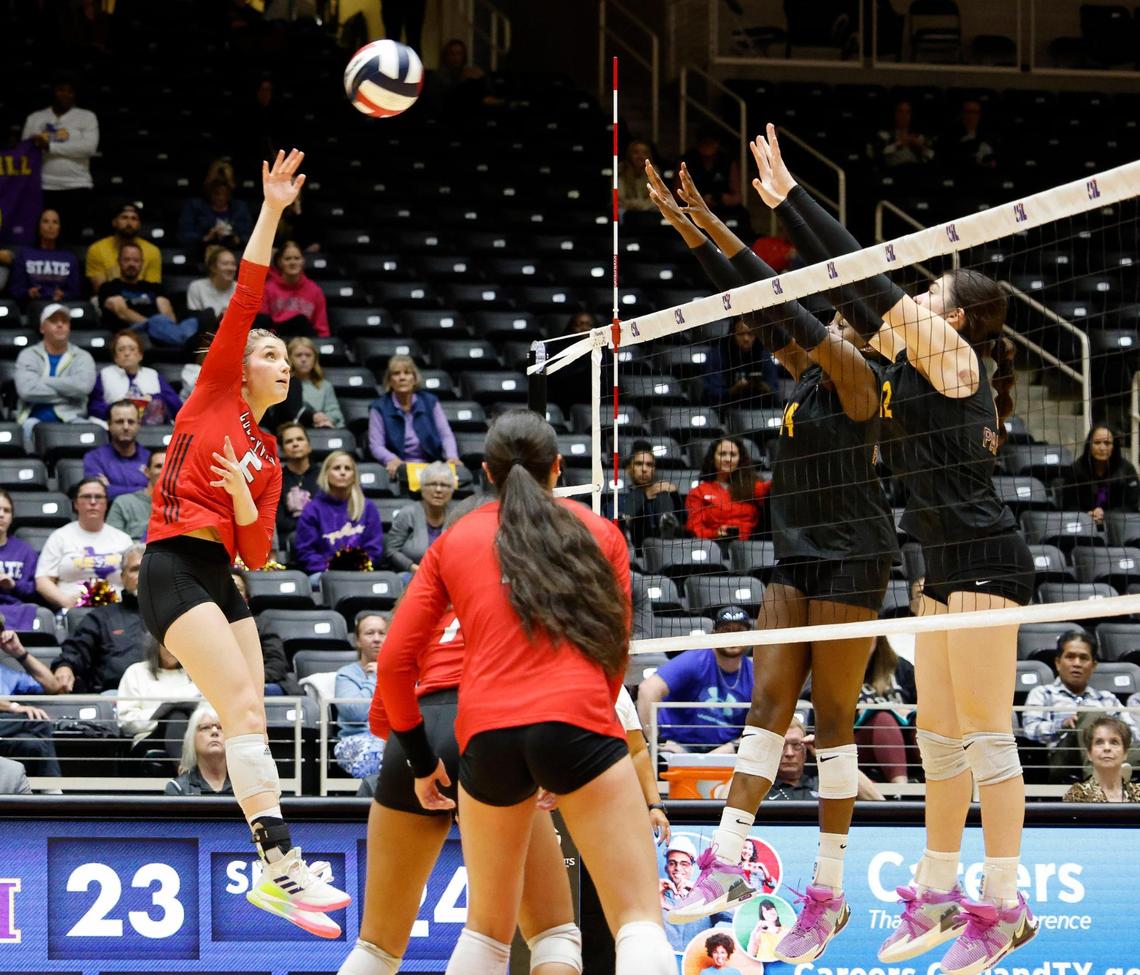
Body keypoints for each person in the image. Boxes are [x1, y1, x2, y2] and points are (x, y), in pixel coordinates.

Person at [749, 124, 1038, 969]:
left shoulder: (956, 357)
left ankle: (1005, 904)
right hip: (936, 562)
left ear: (955, 313)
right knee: (939, 737)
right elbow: (823, 313)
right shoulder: (903, 364)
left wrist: (794, 200)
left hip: (986, 557)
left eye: (931, 288)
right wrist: (741, 252)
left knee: (986, 737)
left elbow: (864, 276)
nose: (917, 295)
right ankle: (939, 888)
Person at [374, 409, 676, 974]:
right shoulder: (600, 531)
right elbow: (615, 652)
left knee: (487, 934)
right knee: (637, 921)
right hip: (577, 717)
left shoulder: (456, 538)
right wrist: (578, 739)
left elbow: (392, 663)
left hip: (483, 733)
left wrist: (418, 758)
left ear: (487, 472)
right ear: (558, 467)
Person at [136, 149, 349, 935]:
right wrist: (272, 209)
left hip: (221, 574)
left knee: (253, 710)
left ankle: (275, 873)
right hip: (171, 568)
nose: (281, 362)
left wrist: (237, 495)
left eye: (286, 357)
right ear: (240, 363)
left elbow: (258, 555)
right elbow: (250, 289)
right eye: (269, 352)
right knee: (240, 706)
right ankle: (283, 863)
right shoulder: (215, 390)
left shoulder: (267, 454)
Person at [1022, 630, 1139, 783]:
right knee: (1090, 714)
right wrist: (1061, 726)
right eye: (1070, 657)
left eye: (1083, 658)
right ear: (1058, 663)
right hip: (1064, 759)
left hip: (1109, 752)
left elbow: (1133, 734)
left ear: (1094, 665)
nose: (1077, 663)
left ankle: (1106, 779)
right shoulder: (1043, 693)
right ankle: (1097, 785)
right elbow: (1030, 730)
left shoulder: (1108, 698)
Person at [636, 606, 756, 753]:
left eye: (739, 631)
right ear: (714, 634)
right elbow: (647, 689)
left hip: (728, 752)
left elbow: (763, 721)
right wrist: (656, 741)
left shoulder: (753, 674)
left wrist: (732, 748)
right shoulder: (696, 660)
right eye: (726, 631)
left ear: (749, 636)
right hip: (678, 748)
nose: (733, 638)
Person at [51, 542, 144, 691]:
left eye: (149, 568)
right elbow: (77, 650)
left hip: (168, 692)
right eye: (135, 569)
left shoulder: (173, 616)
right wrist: (65, 666)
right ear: (122, 577)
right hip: (116, 694)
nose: (143, 574)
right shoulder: (101, 617)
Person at [35, 480, 131, 611]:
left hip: (116, 610)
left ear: (106, 503)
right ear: (76, 503)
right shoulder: (60, 537)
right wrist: (66, 602)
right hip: (73, 610)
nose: (93, 502)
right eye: (86, 496)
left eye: (98, 497)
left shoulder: (123, 539)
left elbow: (135, 577)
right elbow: (43, 580)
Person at [21, 73, 98, 231]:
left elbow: (88, 148)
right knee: (40, 234)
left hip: (76, 185)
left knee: (71, 234)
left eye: (70, 91)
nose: (65, 94)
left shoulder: (87, 116)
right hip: (42, 185)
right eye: (61, 90)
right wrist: (33, 144)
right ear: (53, 92)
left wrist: (49, 147)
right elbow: (25, 151)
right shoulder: (35, 118)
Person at [293, 451, 384, 581]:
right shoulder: (312, 509)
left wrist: (360, 567)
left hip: (362, 573)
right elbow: (306, 551)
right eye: (337, 468)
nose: (342, 472)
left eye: (347, 468)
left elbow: (374, 548)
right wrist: (329, 568)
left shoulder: (368, 507)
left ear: (354, 475)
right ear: (326, 474)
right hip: (324, 574)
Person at [367, 355, 462, 478]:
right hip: (399, 468)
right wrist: (391, 459)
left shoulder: (430, 402)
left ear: (414, 379)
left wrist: (451, 456)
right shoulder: (379, 407)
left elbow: (445, 434)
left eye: (407, 373)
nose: (402, 378)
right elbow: (376, 445)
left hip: (432, 466)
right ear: (389, 381)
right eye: (396, 374)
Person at [14, 303, 96, 441]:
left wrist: (42, 381)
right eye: (53, 321)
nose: (60, 325)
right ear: (42, 328)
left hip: (73, 419)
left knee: (93, 433)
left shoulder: (83, 356)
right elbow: (27, 391)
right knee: (26, 430)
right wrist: (70, 395)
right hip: (34, 420)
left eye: (64, 321)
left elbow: (83, 387)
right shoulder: (28, 355)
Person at [0, 625, 63, 779]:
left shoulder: (5, 673)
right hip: (6, 723)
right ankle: (54, 789)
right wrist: (13, 707)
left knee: (32, 744)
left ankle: (30, 792)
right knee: (36, 721)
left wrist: (20, 653)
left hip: (5, 729)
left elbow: (53, 687)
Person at [117, 634, 201, 748]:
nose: (172, 649)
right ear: (155, 644)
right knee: (176, 716)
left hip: (195, 739)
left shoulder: (197, 673)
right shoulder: (136, 672)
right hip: (150, 738)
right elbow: (126, 721)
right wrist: (162, 715)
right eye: (167, 644)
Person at [855, 637, 918, 785]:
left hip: (906, 739)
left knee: (921, 721)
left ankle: (939, 780)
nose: (864, 640)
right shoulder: (835, 670)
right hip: (861, 743)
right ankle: (901, 789)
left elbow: (925, 702)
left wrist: (906, 711)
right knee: (883, 718)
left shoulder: (900, 667)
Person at [97, 242, 187, 344]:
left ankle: (182, 339)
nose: (131, 264)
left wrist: (163, 326)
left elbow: (168, 315)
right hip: (130, 333)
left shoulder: (155, 288)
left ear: (142, 263)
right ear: (119, 261)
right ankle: (185, 342)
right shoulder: (108, 287)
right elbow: (122, 312)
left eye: (136, 260)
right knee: (158, 320)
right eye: (127, 260)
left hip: (162, 332)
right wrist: (151, 324)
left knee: (192, 322)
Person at [685, 437, 771, 541]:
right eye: (722, 454)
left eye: (733, 455)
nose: (727, 459)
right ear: (713, 458)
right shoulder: (699, 492)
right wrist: (715, 534)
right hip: (715, 544)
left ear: (740, 460)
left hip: (750, 545)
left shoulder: (752, 487)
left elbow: (774, 486)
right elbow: (694, 528)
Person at [88, 331, 183, 426]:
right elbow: (94, 406)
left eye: (132, 349)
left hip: (152, 427)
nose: (127, 353)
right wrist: (114, 409)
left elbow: (176, 405)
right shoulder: (105, 374)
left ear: (140, 355)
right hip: (117, 426)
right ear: (115, 357)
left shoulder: (152, 375)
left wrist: (153, 398)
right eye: (121, 350)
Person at [333, 613, 387, 778]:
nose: (376, 639)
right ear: (358, 641)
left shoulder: (403, 673)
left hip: (393, 739)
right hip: (356, 739)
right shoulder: (346, 674)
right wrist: (376, 677)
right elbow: (356, 712)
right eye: (370, 633)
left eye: (382, 633)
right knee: (378, 756)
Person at [658, 835, 731, 953]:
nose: (677, 868)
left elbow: (739, 916)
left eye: (684, 864)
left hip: (695, 962)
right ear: (666, 868)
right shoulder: (655, 897)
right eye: (672, 863)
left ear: (691, 868)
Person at [1059, 424, 1139, 525]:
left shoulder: (1127, 470)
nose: (1102, 448)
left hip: (1118, 525)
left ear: (1114, 446)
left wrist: (1106, 515)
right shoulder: (1075, 469)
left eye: (1107, 443)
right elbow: (1068, 506)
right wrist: (1086, 515)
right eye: (1097, 443)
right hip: (1083, 525)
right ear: (1089, 445)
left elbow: (1132, 506)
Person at [384, 461, 455, 575]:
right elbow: (391, 550)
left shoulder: (458, 516)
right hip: (413, 575)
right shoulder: (408, 514)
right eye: (432, 484)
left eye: (444, 485)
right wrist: (412, 568)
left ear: (452, 491)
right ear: (422, 488)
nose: (438, 490)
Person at [703, 315, 780, 408]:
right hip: (726, 408)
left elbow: (775, 390)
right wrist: (734, 389)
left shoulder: (763, 354)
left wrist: (764, 388)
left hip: (758, 407)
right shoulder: (717, 355)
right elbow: (712, 394)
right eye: (740, 334)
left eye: (750, 334)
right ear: (732, 335)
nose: (746, 339)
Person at [7, 208, 82, 301]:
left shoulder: (70, 258)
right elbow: (15, 289)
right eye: (45, 221)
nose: (50, 226)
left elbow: (76, 292)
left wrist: (64, 295)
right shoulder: (24, 255)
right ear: (38, 226)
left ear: (60, 227)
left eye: (55, 222)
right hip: (32, 305)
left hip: (61, 306)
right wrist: (28, 293)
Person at [85, 201, 162, 292]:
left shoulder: (153, 251)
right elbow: (101, 290)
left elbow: (152, 290)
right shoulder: (97, 249)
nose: (129, 223)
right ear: (114, 222)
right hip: (108, 297)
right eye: (124, 217)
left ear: (139, 224)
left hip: (142, 298)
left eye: (134, 218)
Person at [259, 240, 329, 338]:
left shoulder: (315, 290)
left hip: (305, 341)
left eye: (297, 258)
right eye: (287, 259)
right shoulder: (268, 288)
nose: (293, 262)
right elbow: (262, 324)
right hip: (276, 339)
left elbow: (322, 328)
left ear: (303, 261)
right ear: (279, 262)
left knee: (301, 321)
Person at [83, 399, 151, 500]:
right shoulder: (94, 458)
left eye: (131, 422)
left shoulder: (150, 458)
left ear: (138, 424)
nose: (126, 427)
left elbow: (158, 491)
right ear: (109, 424)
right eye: (119, 422)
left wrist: (111, 488)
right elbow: (98, 493)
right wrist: (143, 490)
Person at [618, 441, 682, 548]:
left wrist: (675, 495)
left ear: (654, 469)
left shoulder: (661, 496)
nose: (644, 469)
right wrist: (645, 495)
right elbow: (618, 519)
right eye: (639, 464)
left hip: (663, 546)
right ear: (628, 468)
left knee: (663, 495)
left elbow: (685, 521)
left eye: (649, 465)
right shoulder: (620, 494)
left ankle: (666, 522)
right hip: (633, 545)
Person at [1063, 716, 1140, 803]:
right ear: (1089, 753)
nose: (1107, 748)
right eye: (1099, 742)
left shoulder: (1137, 794)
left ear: (1125, 753)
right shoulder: (1077, 795)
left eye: (1114, 742)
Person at [164, 703, 233, 796]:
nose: (215, 732)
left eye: (221, 727)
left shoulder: (246, 784)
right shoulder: (178, 789)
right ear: (192, 738)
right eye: (205, 727)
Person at [177, 172, 253, 254]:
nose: (220, 198)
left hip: (234, 251)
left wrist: (238, 239)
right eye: (217, 194)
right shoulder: (194, 206)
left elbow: (250, 235)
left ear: (229, 194)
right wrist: (206, 237)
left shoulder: (240, 208)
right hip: (201, 252)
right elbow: (183, 235)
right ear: (210, 192)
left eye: (224, 194)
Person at [108, 449, 165, 541]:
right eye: (158, 466)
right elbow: (112, 542)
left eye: (170, 466)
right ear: (147, 472)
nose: (164, 471)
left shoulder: (185, 505)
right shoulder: (124, 503)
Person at [275, 423, 320, 537]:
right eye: (289, 441)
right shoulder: (276, 480)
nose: (295, 444)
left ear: (309, 445)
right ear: (282, 450)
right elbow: (279, 522)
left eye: (300, 439)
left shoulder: (325, 476)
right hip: (290, 539)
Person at [288, 336, 343, 428]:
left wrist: (325, 419)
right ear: (290, 358)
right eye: (298, 355)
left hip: (320, 428)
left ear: (315, 359)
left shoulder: (325, 386)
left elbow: (335, 412)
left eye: (308, 355)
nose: (304, 359)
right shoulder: (283, 384)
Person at [0, 490, 40, 617]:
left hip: (15, 611)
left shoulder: (24, 551)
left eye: (6, 511)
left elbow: (33, 589)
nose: (1, 515)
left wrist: (13, 584)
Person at [870, 99, 934, 170]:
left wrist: (920, 147)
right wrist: (900, 144)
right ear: (895, 114)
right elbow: (878, 154)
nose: (904, 115)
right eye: (901, 111)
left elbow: (932, 155)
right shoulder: (885, 135)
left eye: (908, 112)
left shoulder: (918, 136)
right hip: (893, 172)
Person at [187, 246, 238, 321]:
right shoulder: (197, 287)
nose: (230, 268)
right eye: (225, 264)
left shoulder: (241, 290)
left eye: (233, 264)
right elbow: (194, 320)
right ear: (213, 267)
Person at [618, 139, 657, 215]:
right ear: (629, 155)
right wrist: (636, 205)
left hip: (648, 210)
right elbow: (619, 199)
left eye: (644, 153)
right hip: (627, 210)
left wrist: (642, 207)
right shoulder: (621, 170)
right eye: (636, 152)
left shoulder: (653, 171)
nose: (640, 156)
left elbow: (656, 198)